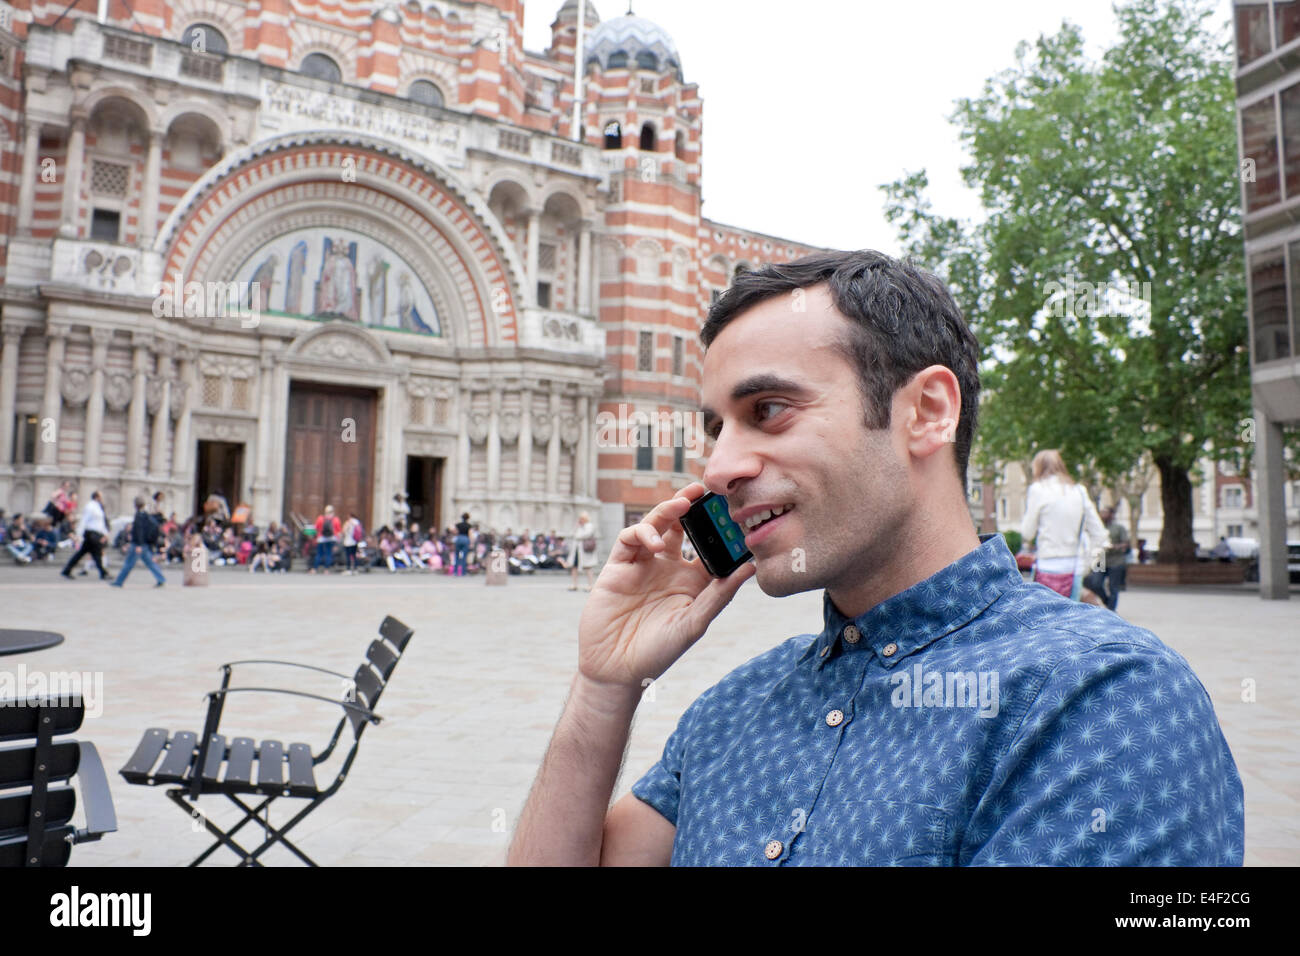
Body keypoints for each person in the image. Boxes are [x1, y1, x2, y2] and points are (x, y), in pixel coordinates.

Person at [507, 249, 1244, 867]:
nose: (719, 467)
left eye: (768, 410)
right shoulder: (735, 708)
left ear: (926, 413)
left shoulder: (1100, 698)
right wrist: (606, 685)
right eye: (716, 427)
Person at [1019, 450, 1108, 603]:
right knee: (1070, 619)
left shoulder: (1037, 490)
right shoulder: (1079, 491)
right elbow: (1100, 534)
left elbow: (1027, 533)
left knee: (1047, 619)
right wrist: (1088, 563)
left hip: (1047, 565)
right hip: (1074, 568)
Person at [110, 496, 166, 588]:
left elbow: (140, 530)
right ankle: (161, 579)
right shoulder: (146, 514)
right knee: (150, 563)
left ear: (135, 505)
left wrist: (139, 545)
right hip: (144, 544)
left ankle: (119, 582)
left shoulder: (138, 515)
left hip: (137, 544)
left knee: (128, 563)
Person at [1084, 505, 1131, 613]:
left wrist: (1114, 546)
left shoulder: (1118, 528)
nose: (1102, 515)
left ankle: (1111, 610)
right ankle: (1107, 601)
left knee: (1113, 587)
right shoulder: (1097, 528)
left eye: (1105, 512)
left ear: (1111, 515)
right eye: (1101, 512)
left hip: (1116, 561)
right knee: (1095, 583)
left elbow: (1126, 544)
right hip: (1101, 560)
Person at [61, 490, 110, 580]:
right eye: (101, 496)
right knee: (96, 553)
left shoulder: (98, 507)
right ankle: (103, 573)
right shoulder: (90, 506)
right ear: (96, 497)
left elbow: (101, 523)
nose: (102, 498)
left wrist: (105, 533)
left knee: (85, 553)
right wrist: (79, 535)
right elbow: (84, 521)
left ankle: (67, 570)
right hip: (91, 533)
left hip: (96, 533)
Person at [567, 512, 597, 591]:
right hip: (576, 550)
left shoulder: (589, 526)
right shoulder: (579, 526)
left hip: (585, 551)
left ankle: (591, 585)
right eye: (580, 518)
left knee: (588, 567)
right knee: (574, 567)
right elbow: (571, 534)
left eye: (582, 518)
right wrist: (576, 527)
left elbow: (586, 534)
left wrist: (577, 535)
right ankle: (574, 584)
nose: (581, 520)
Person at [311, 505, 340, 573]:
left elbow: (316, 528)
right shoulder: (336, 519)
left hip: (321, 538)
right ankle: (326, 569)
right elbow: (338, 530)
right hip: (331, 538)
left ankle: (315, 569)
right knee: (328, 554)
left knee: (319, 554)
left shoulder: (320, 518)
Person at [453, 512, 471, 577]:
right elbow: (470, 534)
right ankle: (463, 572)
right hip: (465, 539)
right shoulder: (469, 525)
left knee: (457, 556)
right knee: (464, 557)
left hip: (459, 538)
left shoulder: (458, 525)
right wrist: (471, 542)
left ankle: (455, 572)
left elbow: (455, 532)